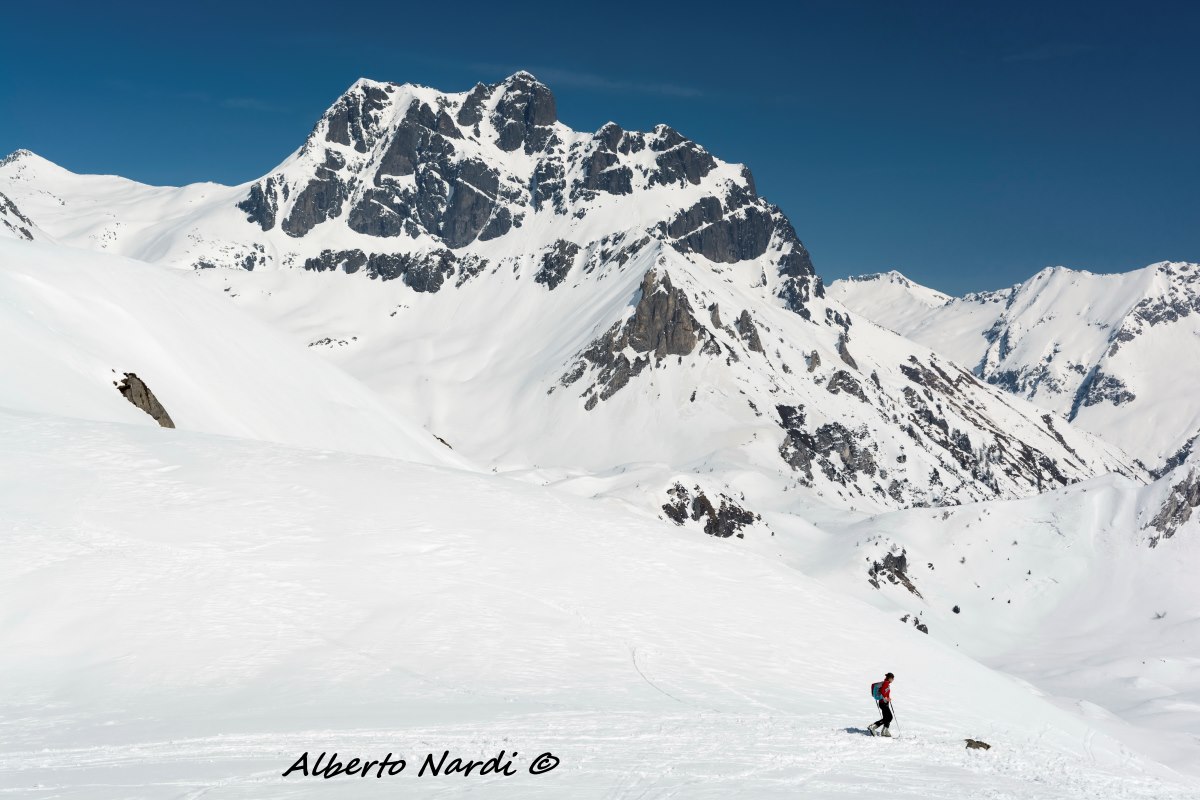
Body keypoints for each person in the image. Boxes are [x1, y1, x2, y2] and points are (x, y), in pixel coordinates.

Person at [868, 672, 895, 737]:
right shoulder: (885, 683)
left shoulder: (886, 683)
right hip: (883, 703)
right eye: (892, 678)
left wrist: (888, 698)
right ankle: (874, 726)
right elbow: (882, 691)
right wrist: (886, 698)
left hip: (884, 703)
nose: (893, 680)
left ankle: (884, 731)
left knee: (887, 718)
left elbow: (885, 692)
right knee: (889, 717)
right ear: (890, 678)